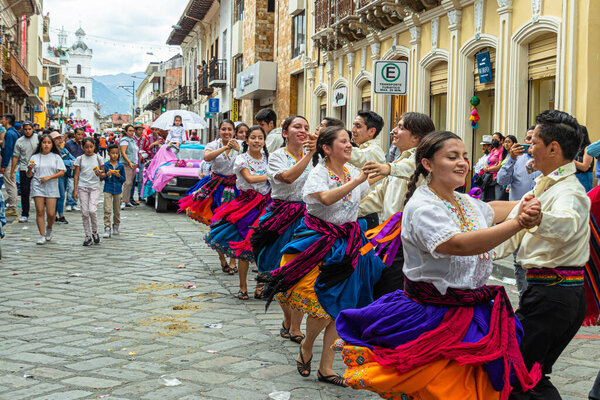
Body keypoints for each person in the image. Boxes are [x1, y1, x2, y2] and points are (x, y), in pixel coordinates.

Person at [335, 130, 542, 400]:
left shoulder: (462, 201)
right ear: (428, 164)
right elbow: (456, 244)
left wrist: (522, 203)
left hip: (473, 312)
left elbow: (492, 209)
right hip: (432, 314)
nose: (463, 163)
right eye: (452, 157)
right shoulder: (423, 206)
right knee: (445, 390)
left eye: (465, 157)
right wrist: (518, 223)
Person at [263, 126, 386, 387]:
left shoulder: (352, 171)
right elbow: (327, 199)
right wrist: (357, 181)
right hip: (319, 243)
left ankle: (326, 368)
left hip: (350, 243)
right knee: (321, 306)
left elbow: (365, 188)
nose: (349, 145)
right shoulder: (319, 173)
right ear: (327, 149)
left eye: (350, 141)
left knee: (342, 307)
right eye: (343, 141)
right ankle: (307, 344)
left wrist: (390, 172)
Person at [495, 110, 590, 400]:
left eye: (533, 141)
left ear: (553, 148)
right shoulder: (545, 186)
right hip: (547, 294)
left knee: (520, 375)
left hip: (554, 296)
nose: (527, 148)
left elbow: (567, 224)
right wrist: (471, 253)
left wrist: (537, 219)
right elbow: (513, 234)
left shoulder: (570, 192)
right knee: (527, 374)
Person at [250, 116, 314, 340]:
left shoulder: (316, 160)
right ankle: (288, 318)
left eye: (306, 127)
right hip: (280, 217)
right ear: (285, 133)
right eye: (297, 127)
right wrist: (309, 155)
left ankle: (295, 326)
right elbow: (287, 178)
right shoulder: (277, 156)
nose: (303, 130)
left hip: (307, 218)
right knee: (276, 269)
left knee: (300, 271)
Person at [358, 112, 435, 298]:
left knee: (391, 293)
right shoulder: (399, 160)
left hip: (405, 242)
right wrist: (343, 209)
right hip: (388, 238)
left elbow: (412, 168)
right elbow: (377, 198)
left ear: (416, 137)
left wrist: (388, 169)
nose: (394, 131)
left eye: (401, 127)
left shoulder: (423, 161)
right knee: (382, 290)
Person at [205, 126, 271, 300]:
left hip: (266, 205)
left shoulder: (269, 159)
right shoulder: (241, 159)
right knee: (245, 246)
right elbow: (249, 179)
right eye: (253, 137)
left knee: (263, 247)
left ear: (264, 141)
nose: (257, 141)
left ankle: (259, 287)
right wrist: (274, 175)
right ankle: (243, 287)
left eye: (260, 138)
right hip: (246, 205)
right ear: (246, 140)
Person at [178, 120, 241, 273]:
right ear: (219, 131)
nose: (227, 132)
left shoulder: (241, 145)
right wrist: (225, 147)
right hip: (217, 188)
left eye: (229, 129)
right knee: (217, 223)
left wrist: (239, 150)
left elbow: (248, 159)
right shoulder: (213, 145)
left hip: (236, 188)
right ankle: (222, 259)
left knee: (235, 223)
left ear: (234, 131)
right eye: (224, 129)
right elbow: (207, 157)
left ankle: (233, 260)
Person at [348, 110, 386, 229]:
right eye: (353, 125)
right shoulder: (361, 148)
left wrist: (336, 144)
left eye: (358, 126)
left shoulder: (374, 150)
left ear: (371, 131)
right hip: (356, 212)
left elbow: (359, 157)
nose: (353, 130)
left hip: (367, 215)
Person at [27, 134, 66, 245]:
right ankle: (42, 235)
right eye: (44, 142)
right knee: (40, 211)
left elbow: (61, 172)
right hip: (37, 185)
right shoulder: (34, 157)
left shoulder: (56, 157)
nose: (46, 145)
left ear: (52, 144)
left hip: (52, 186)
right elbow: (29, 175)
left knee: (51, 213)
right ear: (40, 144)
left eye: (49, 142)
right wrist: (29, 169)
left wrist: (48, 178)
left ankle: (49, 228)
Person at [73, 137, 104, 246]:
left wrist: (99, 174)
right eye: (86, 147)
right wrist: (75, 190)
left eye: (91, 147)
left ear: (94, 147)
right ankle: (87, 235)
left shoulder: (99, 158)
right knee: (85, 212)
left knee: (92, 210)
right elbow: (76, 175)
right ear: (83, 147)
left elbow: (103, 174)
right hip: (82, 187)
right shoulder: (79, 159)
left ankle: (95, 231)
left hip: (95, 186)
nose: (89, 149)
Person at [10, 122, 40, 223]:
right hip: (24, 168)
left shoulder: (39, 139)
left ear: (33, 129)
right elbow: (15, 156)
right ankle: (25, 214)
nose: (27, 131)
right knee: (25, 192)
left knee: (39, 191)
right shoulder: (19, 141)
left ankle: (40, 212)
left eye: (29, 129)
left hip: (38, 168)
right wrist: (12, 171)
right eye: (25, 129)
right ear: (23, 129)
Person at [102, 144, 126, 238]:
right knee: (107, 209)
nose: (115, 155)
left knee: (117, 209)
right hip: (108, 188)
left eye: (116, 153)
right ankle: (107, 227)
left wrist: (119, 176)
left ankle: (116, 225)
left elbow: (123, 179)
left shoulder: (120, 166)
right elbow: (102, 177)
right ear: (108, 154)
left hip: (118, 190)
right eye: (113, 153)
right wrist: (106, 175)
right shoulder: (106, 165)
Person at [51, 131, 74, 225]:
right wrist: (70, 163)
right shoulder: (51, 152)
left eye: (60, 138)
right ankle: (59, 215)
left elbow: (73, 158)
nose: (60, 140)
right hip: (56, 175)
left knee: (60, 195)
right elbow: (57, 163)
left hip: (64, 175)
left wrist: (72, 162)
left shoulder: (63, 150)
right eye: (57, 138)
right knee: (60, 195)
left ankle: (55, 215)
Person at [0, 114, 21, 216]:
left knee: (10, 183)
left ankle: (12, 207)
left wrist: (3, 165)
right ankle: (11, 203)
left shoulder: (9, 134)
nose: (1, 120)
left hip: (9, 162)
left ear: (7, 120)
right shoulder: (15, 132)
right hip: (13, 161)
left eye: (3, 119)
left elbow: (7, 150)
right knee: (11, 182)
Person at [65, 128, 85, 212]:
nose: (80, 136)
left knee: (78, 187)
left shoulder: (83, 144)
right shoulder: (68, 144)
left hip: (81, 167)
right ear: (74, 135)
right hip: (71, 167)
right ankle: (69, 203)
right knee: (71, 186)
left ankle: (74, 203)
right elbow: (65, 155)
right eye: (78, 134)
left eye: (81, 134)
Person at [482, 132, 505, 201]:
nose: (494, 141)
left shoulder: (502, 150)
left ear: (501, 141)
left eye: (495, 139)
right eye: (492, 140)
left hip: (496, 179)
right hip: (489, 178)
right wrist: (485, 167)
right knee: (488, 199)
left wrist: (488, 169)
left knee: (497, 199)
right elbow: (488, 161)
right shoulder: (493, 150)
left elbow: (499, 167)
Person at [119, 124, 138, 208]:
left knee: (130, 183)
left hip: (133, 164)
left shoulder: (132, 140)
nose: (132, 132)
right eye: (130, 131)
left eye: (133, 131)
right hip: (127, 164)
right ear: (126, 131)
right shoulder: (124, 140)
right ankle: (123, 201)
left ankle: (127, 200)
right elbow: (123, 152)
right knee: (127, 183)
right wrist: (129, 162)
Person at [574, 125, 594, 192]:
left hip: (584, 177)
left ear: (583, 135)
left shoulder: (588, 148)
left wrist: (570, 160)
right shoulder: (576, 148)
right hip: (575, 176)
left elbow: (585, 167)